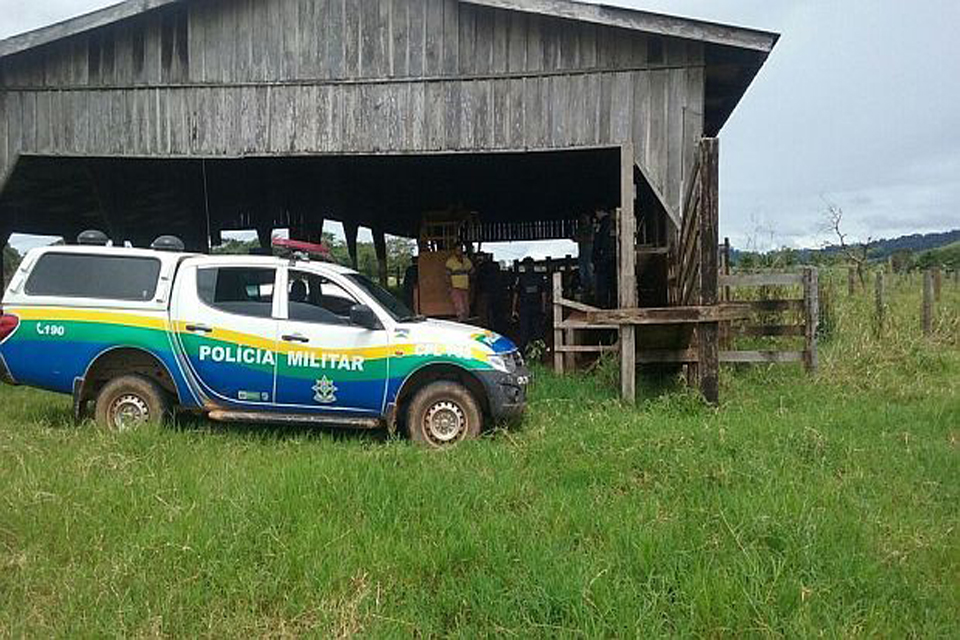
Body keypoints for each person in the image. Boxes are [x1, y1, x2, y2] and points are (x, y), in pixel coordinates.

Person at [511, 257, 547, 350]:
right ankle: (538, 352)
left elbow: (516, 295)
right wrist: (543, 309)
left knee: (524, 331)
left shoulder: (521, 278)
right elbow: (543, 294)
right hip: (535, 308)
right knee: (537, 331)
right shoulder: (539, 278)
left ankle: (523, 352)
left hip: (525, 309)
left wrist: (513, 309)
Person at [592, 209, 617, 308]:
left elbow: (599, 241)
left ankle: (603, 303)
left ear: (600, 212)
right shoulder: (613, 223)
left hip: (603, 258)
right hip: (611, 256)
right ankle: (613, 302)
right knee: (612, 281)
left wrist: (596, 255)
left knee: (603, 281)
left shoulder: (603, 224)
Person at [475, 253, 504, 332]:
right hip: (496, 292)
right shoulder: (496, 268)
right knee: (495, 311)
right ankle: (497, 327)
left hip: (485, 292)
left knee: (485, 312)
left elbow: (478, 281)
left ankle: (488, 328)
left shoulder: (482, 268)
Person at [445, 244, 474, 322]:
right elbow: (447, 275)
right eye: (457, 250)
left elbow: (472, 271)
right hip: (455, 287)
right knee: (460, 308)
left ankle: (466, 322)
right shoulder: (450, 261)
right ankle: (461, 322)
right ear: (454, 251)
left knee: (466, 308)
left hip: (465, 287)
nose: (459, 251)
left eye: (460, 249)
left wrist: (470, 281)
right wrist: (449, 286)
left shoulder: (466, 260)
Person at [574, 212, 595, 297]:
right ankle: (585, 289)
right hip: (582, 254)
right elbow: (576, 237)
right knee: (582, 272)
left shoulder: (591, 228)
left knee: (590, 272)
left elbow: (591, 238)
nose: (584, 220)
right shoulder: (580, 229)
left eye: (585, 218)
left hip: (590, 254)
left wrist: (581, 239)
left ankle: (592, 290)